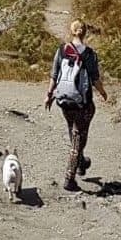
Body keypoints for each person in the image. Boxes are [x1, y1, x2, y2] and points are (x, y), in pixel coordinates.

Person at [44, 19, 108, 191]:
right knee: (79, 137)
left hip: (64, 101)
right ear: (85, 32)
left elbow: (54, 75)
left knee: (73, 131)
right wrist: (103, 92)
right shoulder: (89, 54)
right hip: (82, 102)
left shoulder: (61, 50)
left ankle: (80, 162)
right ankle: (69, 178)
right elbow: (95, 78)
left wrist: (49, 95)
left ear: (71, 31)